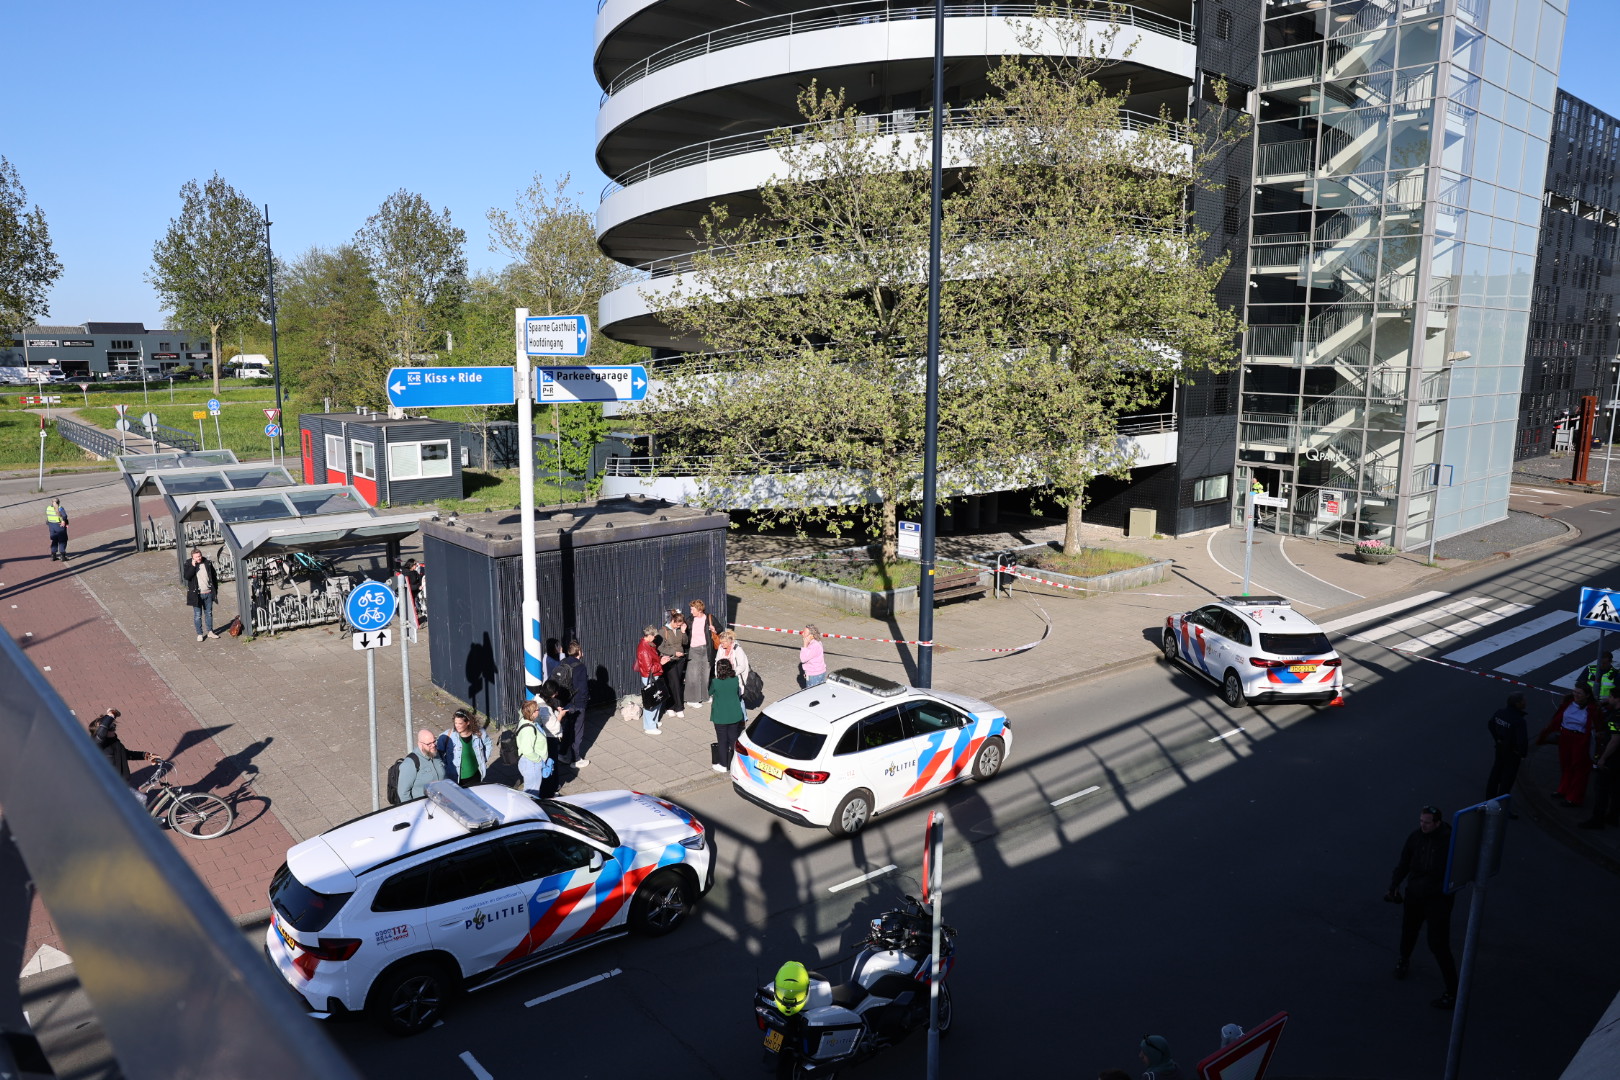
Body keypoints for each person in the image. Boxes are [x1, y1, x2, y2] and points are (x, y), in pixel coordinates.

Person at [1385, 804, 1459, 1009]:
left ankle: (1453, 991)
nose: (1422, 826)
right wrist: (1394, 885)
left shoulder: (1450, 841)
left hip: (1438, 900)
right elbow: (1404, 862)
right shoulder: (1415, 837)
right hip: (1415, 895)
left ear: (1437, 823)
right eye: (1421, 821)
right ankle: (1404, 960)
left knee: (1438, 944)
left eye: (1427, 823)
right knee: (1409, 930)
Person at [1539, 684, 1595, 807]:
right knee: (1566, 764)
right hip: (1565, 737)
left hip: (1581, 739)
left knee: (1579, 768)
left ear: (1587, 695)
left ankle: (1574, 797)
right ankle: (1563, 789)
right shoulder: (1568, 704)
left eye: (1579, 693)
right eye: (1575, 692)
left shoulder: (1592, 709)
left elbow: (1597, 727)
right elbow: (1557, 719)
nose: (1576, 695)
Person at [1581, 698, 1620, 829]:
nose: (1608, 699)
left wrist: (1603, 758)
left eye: (1611, 697)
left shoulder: (1616, 716)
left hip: (1613, 759)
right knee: (1615, 789)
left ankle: (1597, 820)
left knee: (1601, 789)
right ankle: (1613, 817)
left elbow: (1615, 740)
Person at [1484, 693, 1528, 808]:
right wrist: (1522, 753)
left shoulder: (1500, 713)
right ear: (1517, 704)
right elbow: (1522, 740)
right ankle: (1500, 804)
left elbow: (1491, 724)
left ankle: (1489, 799)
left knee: (1496, 772)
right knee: (1507, 779)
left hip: (1500, 748)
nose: (1525, 702)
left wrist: (1498, 739)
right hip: (1512, 753)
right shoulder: (1518, 721)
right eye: (1523, 701)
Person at [87, 709, 151, 782]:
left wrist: (145, 755)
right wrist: (110, 715)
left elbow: (124, 754)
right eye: (111, 728)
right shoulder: (96, 745)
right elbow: (102, 729)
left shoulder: (114, 742)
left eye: (114, 726)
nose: (114, 729)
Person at [437, 709, 491, 787]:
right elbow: (438, 754)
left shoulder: (479, 733)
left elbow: (488, 744)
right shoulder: (447, 736)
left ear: (468, 722)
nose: (457, 726)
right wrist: (445, 767)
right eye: (455, 723)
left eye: (460, 723)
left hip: (476, 776)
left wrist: (484, 759)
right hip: (455, 779)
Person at [710, 658, 745, 773]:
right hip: (734, 714)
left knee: (722, 740)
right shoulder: (735, 680)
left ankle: (723, 764)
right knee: (733, 738)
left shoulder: (716, 682)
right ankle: (736, 762)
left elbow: (709, 692)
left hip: (721, 716)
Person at [515, 699, 554, 797]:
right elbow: (527, 750)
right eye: (537, 709)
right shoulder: (528, 729)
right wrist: (539, 760)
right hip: (531, 764)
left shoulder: (526, 721)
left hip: (530, 763)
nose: (539, 710)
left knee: (531, 790)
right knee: (531, 793)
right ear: (532, 713)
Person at [394, 729, 446, 802]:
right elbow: (403, 793)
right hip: (423, 807)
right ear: (420, 744)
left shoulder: (437, 754)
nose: (433, 745)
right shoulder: (410, 763)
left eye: (434, 741)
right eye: (429, 744)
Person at [182, 547, 222, 642]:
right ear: (192, 557)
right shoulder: (188, 564)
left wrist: (215, 590)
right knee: (197, 615)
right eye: (196, 557)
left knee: (209, 613)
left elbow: (213, 577)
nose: (198, 558)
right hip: (197, 594)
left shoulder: (207, 563)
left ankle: (210, 632)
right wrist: (193, 566)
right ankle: (199, 633)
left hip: (208, 592)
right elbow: (187, 577)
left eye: (199, 556)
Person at [635, 624, 666, 735]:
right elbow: (649, 669)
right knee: (652, 701)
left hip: (652, 676)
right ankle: (650, 726)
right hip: (650, 677)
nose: (655, 638)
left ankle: (654, 721)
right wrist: (661, 663)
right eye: (654, 636)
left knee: (657, 699)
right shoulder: (644, 648)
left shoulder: (647, 644)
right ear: (649, 635)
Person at [659, 610, 690, 718]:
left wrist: (683, 631)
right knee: (675, 683)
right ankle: (678, 707)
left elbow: (685, 642)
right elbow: (660, 647)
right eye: (677, 624)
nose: (678, 626)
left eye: (680, 625)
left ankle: (670, 706)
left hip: (680, 659)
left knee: (675, 683)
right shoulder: (663, 631)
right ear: (673, 620)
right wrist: (674, 652)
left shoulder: (680, 629)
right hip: (670, 660)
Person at [685, 599, 714, 708]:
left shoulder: (709, 618)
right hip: (694, 649)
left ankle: (704, 696)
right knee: (693, 675)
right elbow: (685, 637)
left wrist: (714, 629)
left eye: (693, 609)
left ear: (699, 609)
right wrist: (683, 631)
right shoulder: (690, 620)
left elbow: (720, 630)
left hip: (706, 649)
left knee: (705, 674)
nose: (691, 611)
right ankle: (691, 699)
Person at [45, 497, 69, 561]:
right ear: (59, 502)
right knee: (62, 540)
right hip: (59, 526)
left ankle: (53, 555)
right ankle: (63, 556)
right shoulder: (60, 508)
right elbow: (64, 516)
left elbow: (48, 517)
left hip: (51, 526)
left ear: (51, 502)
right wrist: (63, 521)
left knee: (54, 540)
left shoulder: (48, 508)